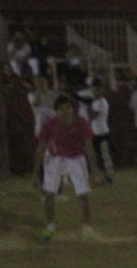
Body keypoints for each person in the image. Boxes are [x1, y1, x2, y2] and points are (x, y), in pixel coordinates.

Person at [32, 95, 102, 242]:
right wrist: (35, 173)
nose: (66, 111)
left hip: (76, 158)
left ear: (72, 109)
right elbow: (40, 148)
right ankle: (50, 226)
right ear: (56, 111)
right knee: (49, 193)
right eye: (62, 109)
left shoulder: (81, 123)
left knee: (83, 193)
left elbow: (89, 147)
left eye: (68, 108)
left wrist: (94, 171)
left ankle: (87, 228)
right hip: (54, 158)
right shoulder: (49, 125)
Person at [82, 78, 114, 183]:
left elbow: (92, 116)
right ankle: (98, 175)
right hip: (96, 132)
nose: (94, 92)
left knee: (104, 155)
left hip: (102, 132)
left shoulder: (101, 102)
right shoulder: (96, 102)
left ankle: (108, 175)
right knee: (97, 155)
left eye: (96, 89)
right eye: (93, 89)